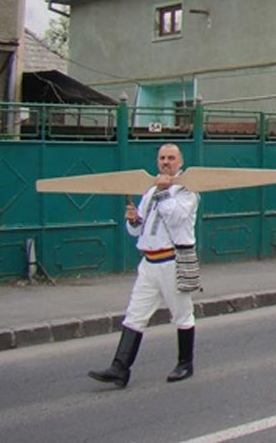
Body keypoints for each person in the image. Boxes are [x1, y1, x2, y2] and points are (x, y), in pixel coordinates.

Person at [88, 144, 198, 388]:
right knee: (135, 314)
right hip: (149, 263)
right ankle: (120, 368)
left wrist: (164, 191)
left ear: (180, 162)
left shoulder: (188, 192)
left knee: (181, 314)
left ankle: (185, 363)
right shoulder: (150, 191)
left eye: (171, 158)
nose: (166, 162)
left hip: (173, 261)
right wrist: (133, 220)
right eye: (162, 158)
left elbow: (176, 216)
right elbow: (139, 229)